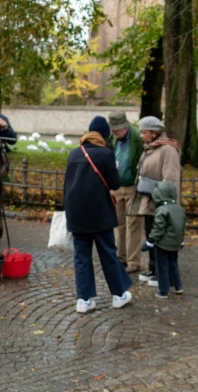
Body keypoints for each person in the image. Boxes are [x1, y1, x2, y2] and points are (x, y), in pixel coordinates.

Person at [63, 116, 132, 313]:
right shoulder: (106, 154)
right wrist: (115, 169)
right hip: (100, 214)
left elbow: (67, 185)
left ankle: (84, 301)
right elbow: (115, 184)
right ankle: (119, 295)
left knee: (81, 257)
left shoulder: (74, 154)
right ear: (104, 135)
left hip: (76, 214)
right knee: (108, 254)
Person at [132, 116, 181, 288]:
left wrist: (166, 204)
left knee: (161, 237)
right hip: (149, 199)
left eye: (144, 132)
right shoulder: (151, 148)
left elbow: (171, 178)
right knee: (152, 235)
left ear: (154, 133)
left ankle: (164, 273)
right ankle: (154, 268)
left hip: (161, 203)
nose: (141, 136)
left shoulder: (168, 149)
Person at [109, 111, 144, 273]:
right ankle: (120, 257)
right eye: (112, 130)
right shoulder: (112, 138)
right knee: (118, 224)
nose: (114, 133)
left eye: (116, 130)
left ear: (125, 127)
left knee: (133, 223)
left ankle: (133, 262)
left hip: (133, 187)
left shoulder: (137, 136)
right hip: (116, 188)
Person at [141, 180, 186, 298]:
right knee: (173, 264)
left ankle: (163, 291)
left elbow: (158, 229)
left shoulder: (162, 210)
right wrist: (181, 240)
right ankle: (178, 286)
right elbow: (182, 227)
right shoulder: (180, 209)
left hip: (163, 244)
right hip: (175, 243)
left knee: (162, 266)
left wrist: (150, 242)